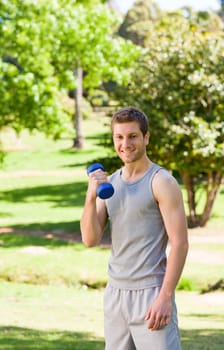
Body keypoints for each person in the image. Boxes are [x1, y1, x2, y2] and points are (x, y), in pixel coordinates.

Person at [80, 106, 188, 350]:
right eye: (119, 137)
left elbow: (180, 243)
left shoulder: (161, 182)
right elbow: (89, 238)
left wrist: (165, 297)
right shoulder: (111, 184)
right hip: (115, 294)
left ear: (146, 137)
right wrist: (90, 197)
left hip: (151, 294)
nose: (125, 144)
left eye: (132, 136)